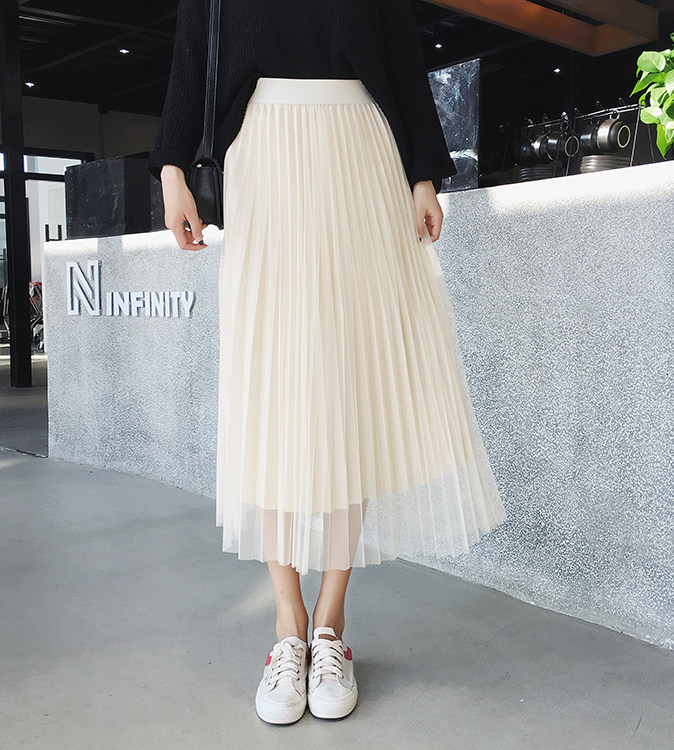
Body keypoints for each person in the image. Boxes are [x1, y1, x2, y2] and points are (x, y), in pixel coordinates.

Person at [147, 0, 507, 725]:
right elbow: (192, 50)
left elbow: (399, 49)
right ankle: (288, 627)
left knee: (350, 388)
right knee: (272, 387)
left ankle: (330, 625)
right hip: (262, 153)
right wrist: (172, 167)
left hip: (361, 150)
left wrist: (422, 173)